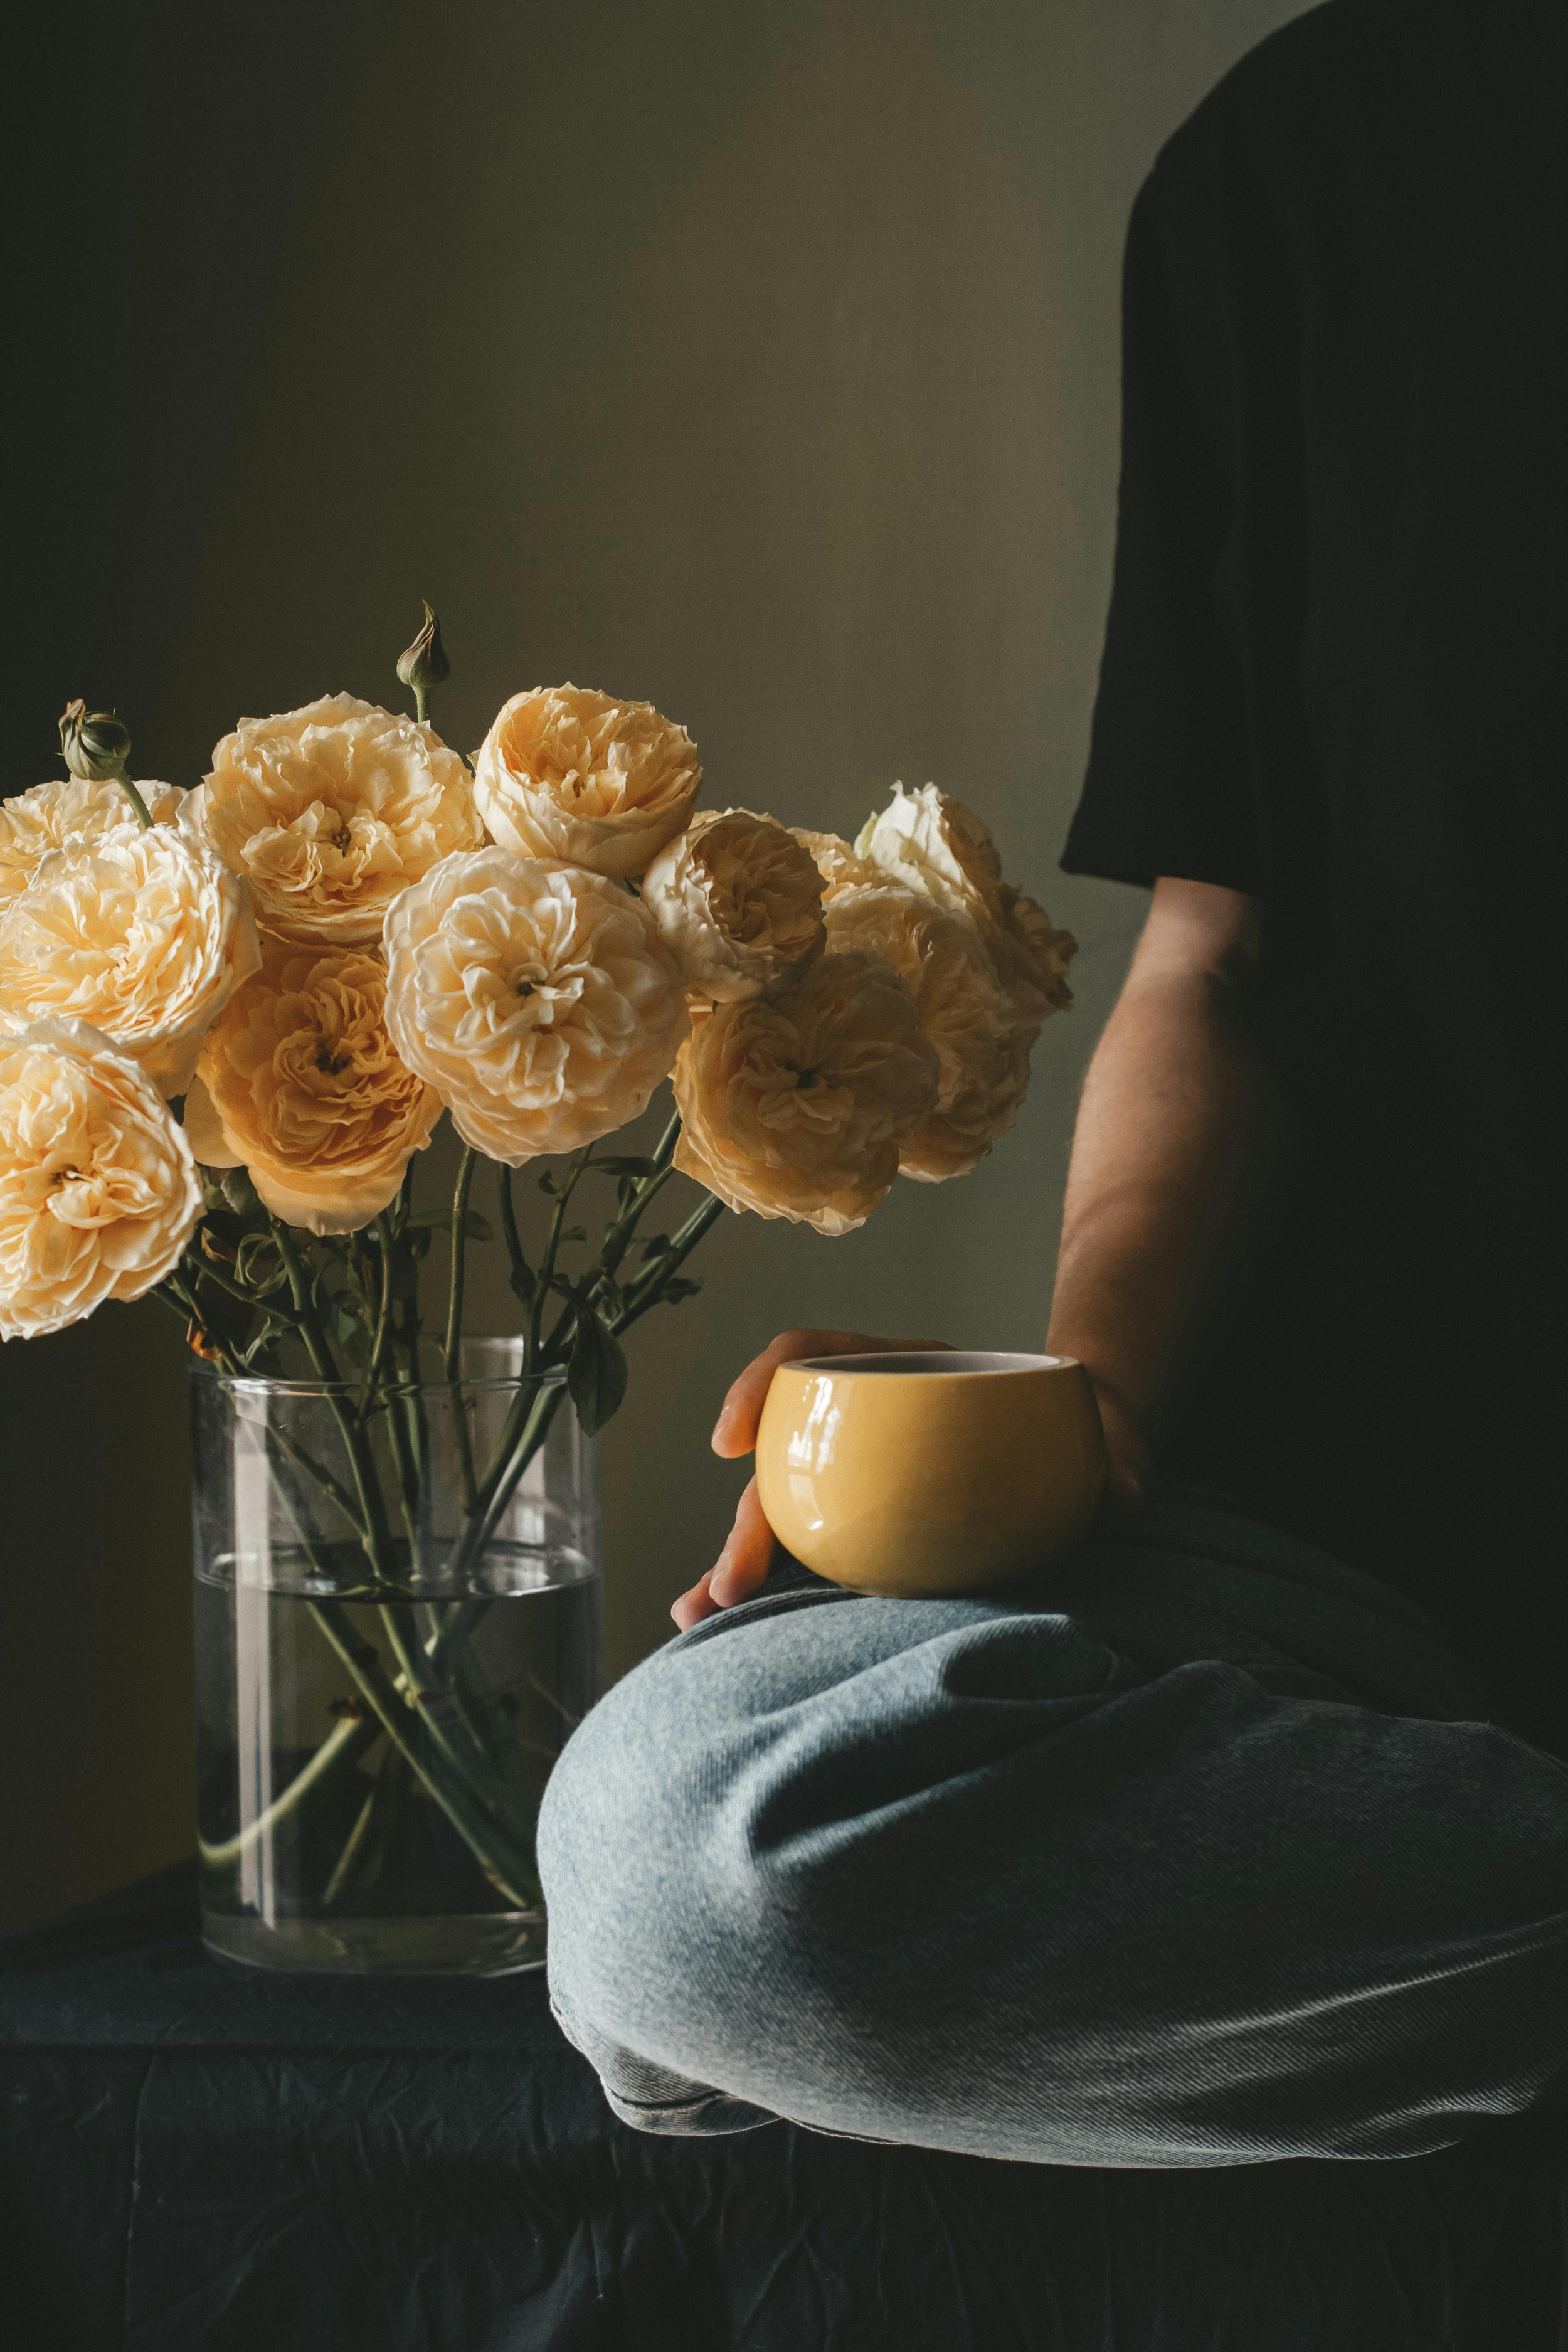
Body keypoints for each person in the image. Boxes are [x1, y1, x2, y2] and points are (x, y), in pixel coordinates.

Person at [538, 0, 1568, 2166]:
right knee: (685, 1866)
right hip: (1377, 1602)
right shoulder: (1293, 169)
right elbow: (1226, 949)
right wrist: (1071, 1399)